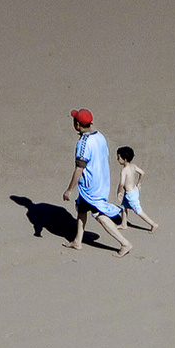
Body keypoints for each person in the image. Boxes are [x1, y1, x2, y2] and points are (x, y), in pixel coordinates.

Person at [63, 108, 131, 256]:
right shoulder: (100, 136)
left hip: (91, 186)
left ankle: (125, 243)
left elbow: (79, 169)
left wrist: (69, 190)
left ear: (77, 124)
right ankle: (77, 241)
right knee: (81, 208)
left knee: (99, 214)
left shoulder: (83, 143)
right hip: (102, 180)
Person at [115, 146, 157, 232]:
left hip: (130, 194)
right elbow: (142, 173)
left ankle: (153, 224)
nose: (117, 159)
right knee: (123, 207)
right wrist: (139, 183)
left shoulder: (124, 170)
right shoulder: (133, 166)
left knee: (138, 211)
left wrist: (118, 192)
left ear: (125, 159)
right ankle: (124, 224)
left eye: (119, 157)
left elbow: (122, 183)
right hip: (133, 191)